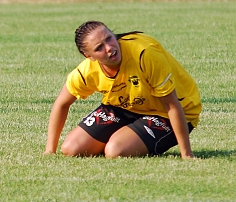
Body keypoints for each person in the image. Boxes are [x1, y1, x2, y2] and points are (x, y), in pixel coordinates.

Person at [45, 21, 201, 159]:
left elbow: (172, 105)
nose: (109, 48)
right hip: (124, 107)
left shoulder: (144, 53)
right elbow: (61, 104)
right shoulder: (86, 71)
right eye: (99, 48)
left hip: (167, 112)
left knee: (114, 151)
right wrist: (50, 150)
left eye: (109, 38)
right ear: (88, 56)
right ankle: (126, 137)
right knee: (71, 149)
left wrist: (186, 154)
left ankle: (124, 140)